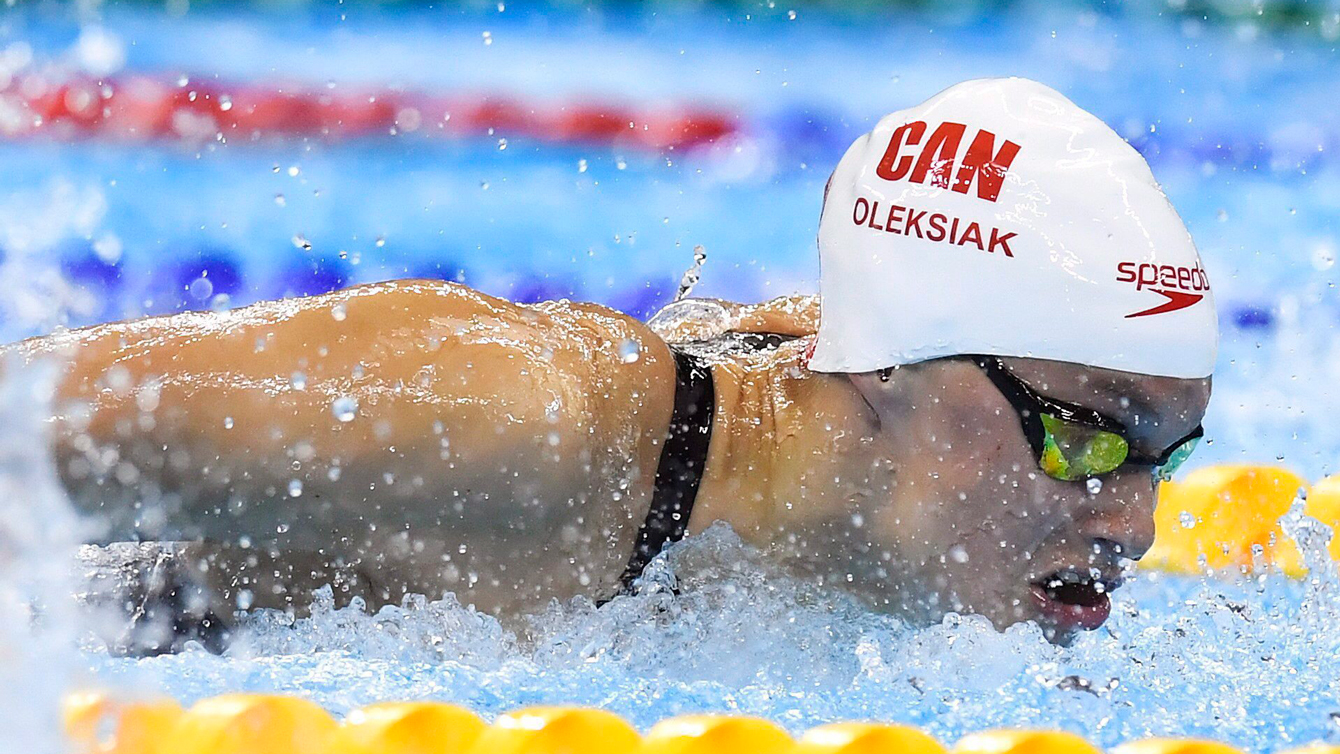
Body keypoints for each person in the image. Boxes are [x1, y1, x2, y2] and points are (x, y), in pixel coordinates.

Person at [17, 78, 1215, 652]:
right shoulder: (505, 414)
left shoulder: (874, 464)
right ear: (885, 367)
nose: (1133, 522)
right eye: (1086, 432)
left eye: (1162, 454)